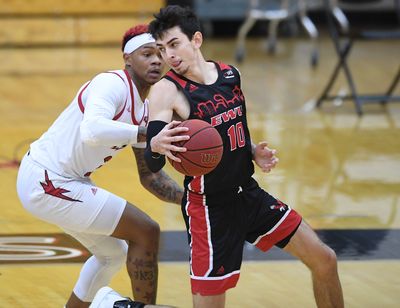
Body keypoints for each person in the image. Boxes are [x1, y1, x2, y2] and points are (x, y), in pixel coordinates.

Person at [144, 5, 344, 308]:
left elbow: (233, 127)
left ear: (196, 39)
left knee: (325, 259)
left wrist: (252, 151)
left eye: (174, 44)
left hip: (249, 195)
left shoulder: (229, 74)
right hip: (210, 210)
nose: (169, 56)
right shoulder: (166, 91)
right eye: (162, 49)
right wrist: (156, 144)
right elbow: (153, 160)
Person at [16, 24, 186, 308]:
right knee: (146, 231)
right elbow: (92, 129)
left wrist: (190, 200)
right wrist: (145, 133)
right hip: (47, 178)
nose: (157, 60)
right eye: (147, 53)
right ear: (127, 58)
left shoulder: (145, 109)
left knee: (113, 254)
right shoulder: (112, 84)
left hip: (68, 181)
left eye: (161, 53)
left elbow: (150, 176)